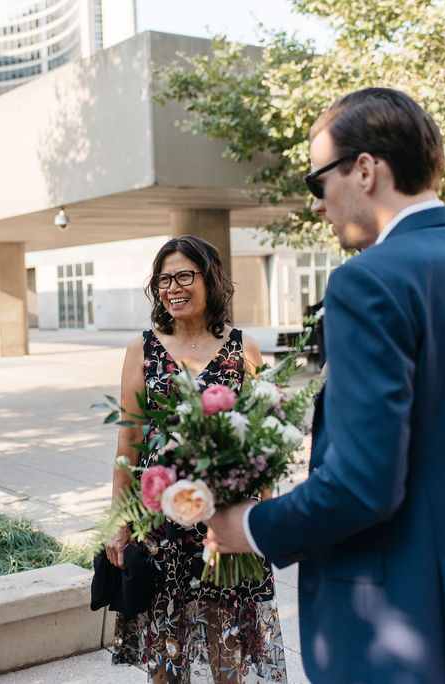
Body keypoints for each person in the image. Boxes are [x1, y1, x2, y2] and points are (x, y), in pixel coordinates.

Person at [204, 88, 445, 683]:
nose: (317, 206)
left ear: (367, 169)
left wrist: (245, 526)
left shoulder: (367, 282)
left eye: (316, 182)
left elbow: (362, 484)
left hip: (393, 630)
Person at [106, 235, 287, 683]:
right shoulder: (142, 349)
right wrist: (118, 519)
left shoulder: (242, 349)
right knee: (166, 657)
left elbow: (262, 442)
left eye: (185, 275)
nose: (173, 287)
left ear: (210, 280)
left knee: (228, 655)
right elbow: (129, 437)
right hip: (162, 521)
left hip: (224, 519)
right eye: (164, 279)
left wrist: (263, 518)